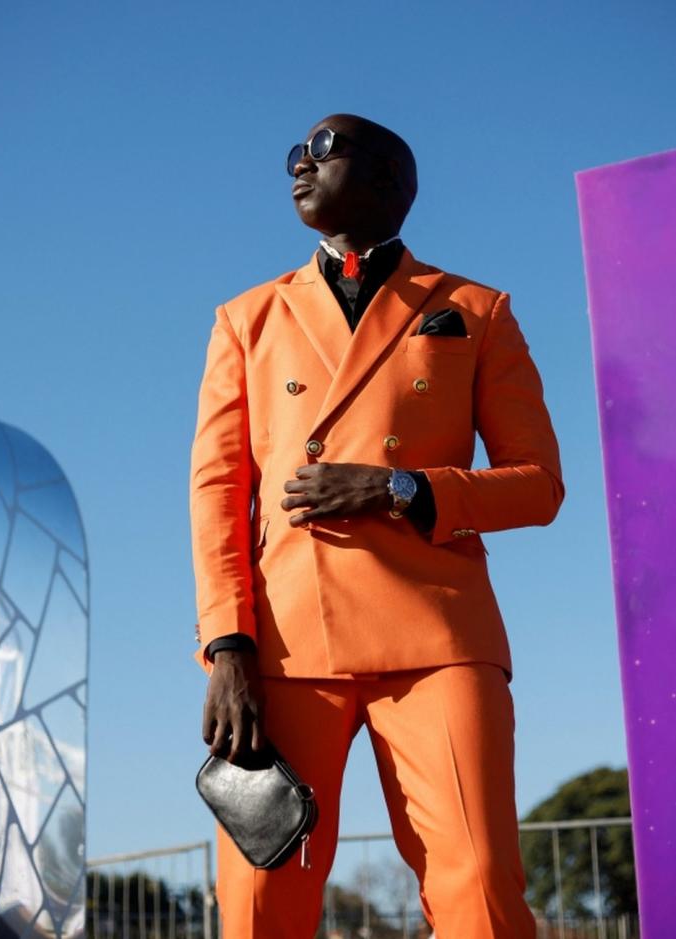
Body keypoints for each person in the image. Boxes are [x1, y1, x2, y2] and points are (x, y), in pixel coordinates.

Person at [190, 113, 564, 939]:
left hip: (438, 639)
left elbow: (538, 486)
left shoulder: (474, 309)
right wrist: (226, 646)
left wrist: (398, 487)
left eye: (323, 150)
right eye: (293, 153)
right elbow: (217, 495)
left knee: (483, 895)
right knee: (258, 904)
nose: (298, 164)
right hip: (284, 649)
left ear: (393, 179)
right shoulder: (245, 318)